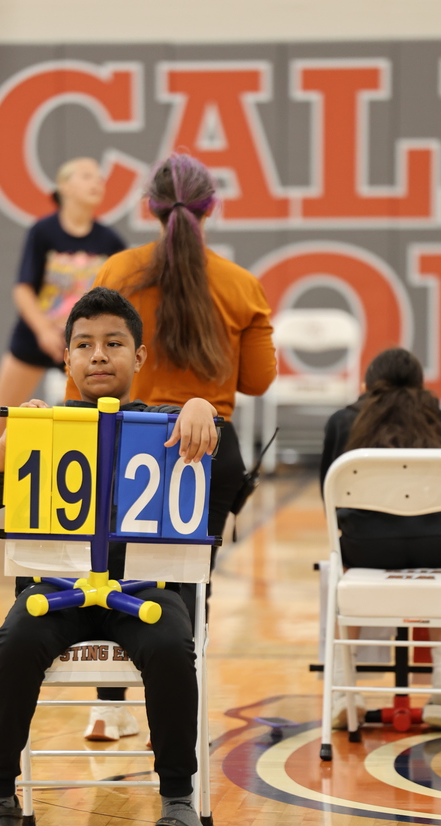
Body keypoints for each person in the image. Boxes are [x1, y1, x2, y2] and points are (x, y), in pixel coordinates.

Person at [0, 287, 217, 826]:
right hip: (55, 594)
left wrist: (204, 409)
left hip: (147, 594)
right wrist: (9, 443)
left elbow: (213, 465)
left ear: (140, 357)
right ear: (67, 360)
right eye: (84, 345)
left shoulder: (167, 421)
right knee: (14, 645)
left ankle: (180, 806)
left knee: (173, 649)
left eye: (113, 344)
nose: (98, 355)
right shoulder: (44, 424)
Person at [64, 153, 277, 741]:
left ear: (150, 209)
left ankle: (108, 707)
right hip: (209, 448)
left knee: (110, 572)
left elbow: (82, 378)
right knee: (189, 578)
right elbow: (258, 381)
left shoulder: (117, 270)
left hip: (121, 440)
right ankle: (178, 713)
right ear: (210, 207)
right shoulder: (240, 285)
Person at [0, 157, 126, 537]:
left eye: (100, 177)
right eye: (86, 175)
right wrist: (44, 330)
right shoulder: (43, 232)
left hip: (84, 346)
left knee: (89, 417)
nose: (97, 182)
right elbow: (23, 288)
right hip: (36, 336)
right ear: (63, 187)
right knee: (2, 416)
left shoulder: (109, 240)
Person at [320, 347, 441, 731]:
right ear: (420, 386)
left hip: (367, 549)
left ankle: (343, 692)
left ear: (367, 386)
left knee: (337, 568)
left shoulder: (342, 422)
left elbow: (328, 497)